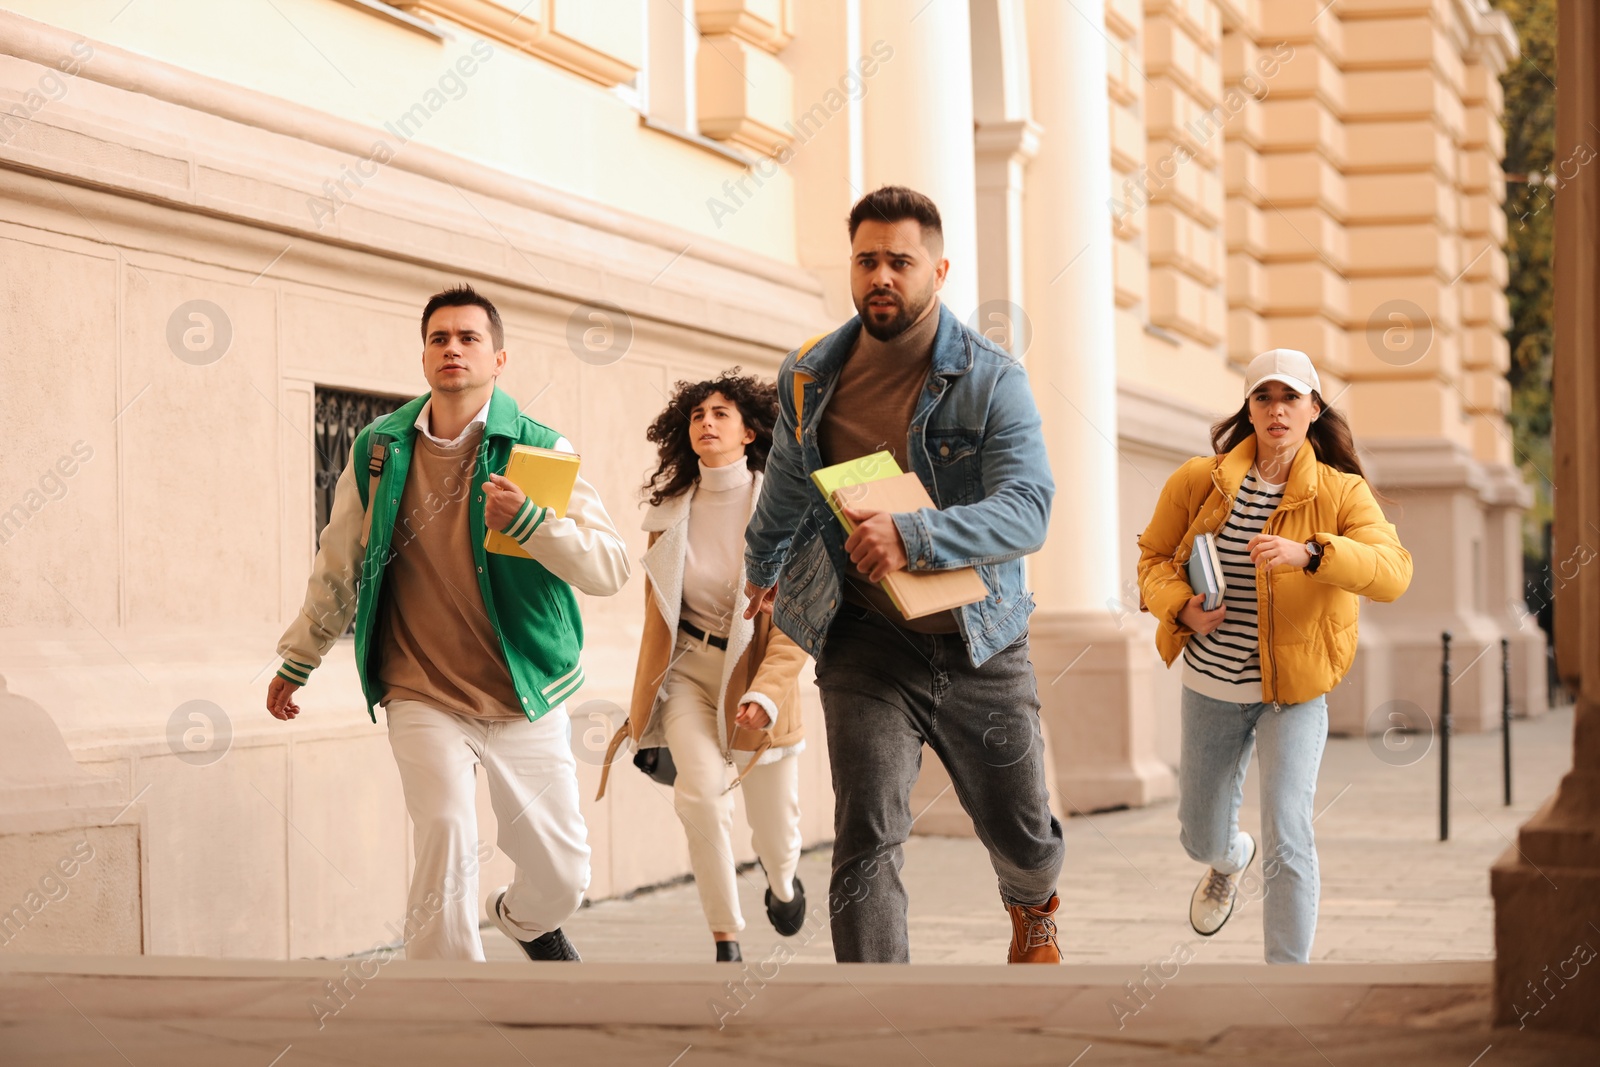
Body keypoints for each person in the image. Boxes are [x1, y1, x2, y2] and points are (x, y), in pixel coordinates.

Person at [742, 185, 1066, 964]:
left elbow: (1029, 510)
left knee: (1023, 832)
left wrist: (914, 536)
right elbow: (786, 482)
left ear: (939, 269)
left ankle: (1033, 904)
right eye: (866, 260)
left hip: (977, 642)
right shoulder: (809, 375)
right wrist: (760, 569)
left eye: (899, 261)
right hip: (864, 641)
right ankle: (876, 1021)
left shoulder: (991, 378)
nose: (880, 275)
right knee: (866, 833)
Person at [266, 284, 631, 962]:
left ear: (499, 357)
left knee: (564, 874)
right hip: (421, 686)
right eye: (440, 338)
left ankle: (523, 918)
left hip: (523, 688)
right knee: (445, 834)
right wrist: (301, 655)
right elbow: (340, 557)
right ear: (425, 355)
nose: (453, 348)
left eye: (468, 337)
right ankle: (451, 1003)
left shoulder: (538, 447)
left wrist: (533, 525)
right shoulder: (381, 447)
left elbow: (609, 567)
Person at [1136, 348, 1413, 964]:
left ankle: (1288, 982)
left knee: (1289, 836)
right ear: (1250, 409)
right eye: (1265, 397)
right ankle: (1230, 860)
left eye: (1291, 398)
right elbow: (1153, 559)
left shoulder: (1341, 494)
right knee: (1197, 836)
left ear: (1314, 410)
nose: (1278, 410)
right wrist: (1179, 605)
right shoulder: (1197, 481)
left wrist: (1313, 554)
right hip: (1211, 684)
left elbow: (1394, 573)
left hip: (1294, 694)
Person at [597, 371, 809, 963]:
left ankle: (784, 885)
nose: (707, 422)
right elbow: (657, 618)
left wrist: (766, 694)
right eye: (697, 415)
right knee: (702, 795)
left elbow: (798, 623)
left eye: (721, 413)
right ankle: (726, 937)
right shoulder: (668, 512)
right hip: (689, 672)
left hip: (757, 682)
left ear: (749, 432)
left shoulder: (781, 507)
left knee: (775, 832)